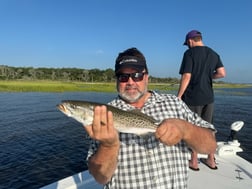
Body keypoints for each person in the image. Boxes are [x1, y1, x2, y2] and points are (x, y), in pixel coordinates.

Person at [84, 47, 217, 189]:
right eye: (123, 77)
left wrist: (186, 129)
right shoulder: (104, 114)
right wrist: (108, 145)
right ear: (117, 80)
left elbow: (210, 146)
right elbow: (100, 177)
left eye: (136, 75)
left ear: (146, 76)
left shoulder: (175, 103)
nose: (130, 82)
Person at [177, 30, 226, 171]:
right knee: (209, 128)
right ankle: (211, 160)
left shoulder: (189, 54)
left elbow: (186, 76)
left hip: (193, 98)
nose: (187, 46)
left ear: (191, 41)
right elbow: (222, 73)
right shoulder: (213, 53)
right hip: (209, 98)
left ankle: (194, 161)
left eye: (187, 44)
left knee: (193, 130)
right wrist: (209, 77)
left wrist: (179, 95)